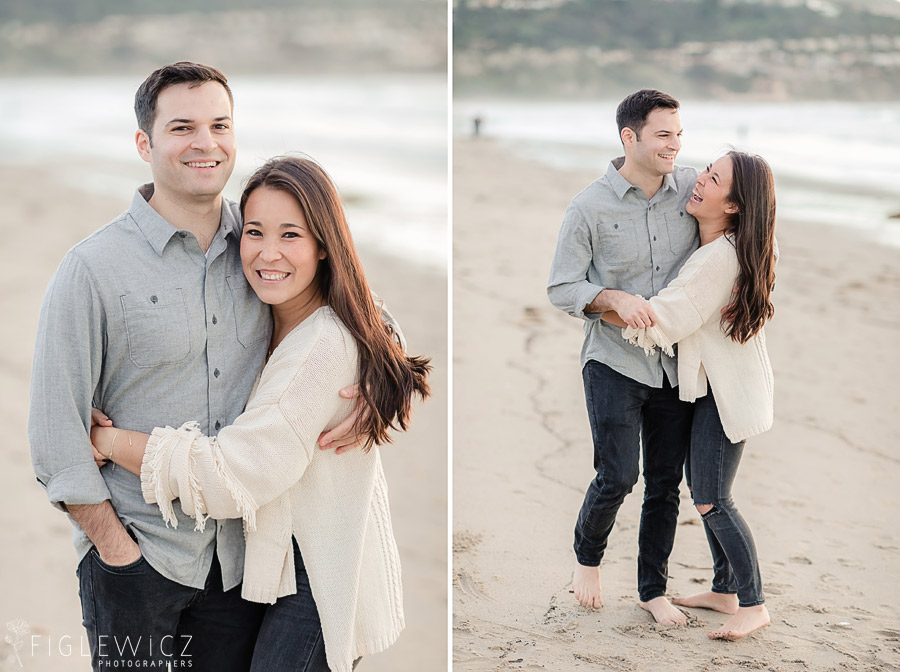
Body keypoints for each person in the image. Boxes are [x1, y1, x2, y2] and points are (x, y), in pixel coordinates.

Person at [27, 62, 390, 671]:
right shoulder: (92, 270)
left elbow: (356, 307)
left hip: (240, 566)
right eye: (182, 127)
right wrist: (116, 552)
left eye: (220, 124)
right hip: (138, 559)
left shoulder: (258, 249)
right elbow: (55, 440)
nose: (205, 142)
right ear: (145, 143)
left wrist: (380, 375)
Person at [90, 156, 431, 671]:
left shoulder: (320, 346)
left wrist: (110, 443)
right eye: (254, 232)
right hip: (271, 567)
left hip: (320, 580)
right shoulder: (260, 310)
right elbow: (372, 313)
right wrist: (385, 358)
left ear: (323, 244)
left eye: (290, 235)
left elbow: (230, 475)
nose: (268, 253)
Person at [602, 151, 775, 640]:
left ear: (735, 205)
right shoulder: (742, 241)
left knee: (711, 499)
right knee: (707, 491)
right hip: (714, 387)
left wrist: (597, 304)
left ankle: (754, 602)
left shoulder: (719, 258)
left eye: (713, 178)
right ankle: (724, 590)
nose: (699, 180)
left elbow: (663, 320)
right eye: (706, 170)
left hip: (724, 394)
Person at [547, 89, 698, 625]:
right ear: (628, 137)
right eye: (663, 135)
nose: (675, 146)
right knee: (617, 475)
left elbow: (733, 227)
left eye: (679, 134)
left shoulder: (693, 190)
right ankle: (587, 559)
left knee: (665, 482)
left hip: (676, 361)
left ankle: (651, 591)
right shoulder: (589, 206)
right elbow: (562, 287)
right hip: (612, 359)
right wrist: (611, 298)